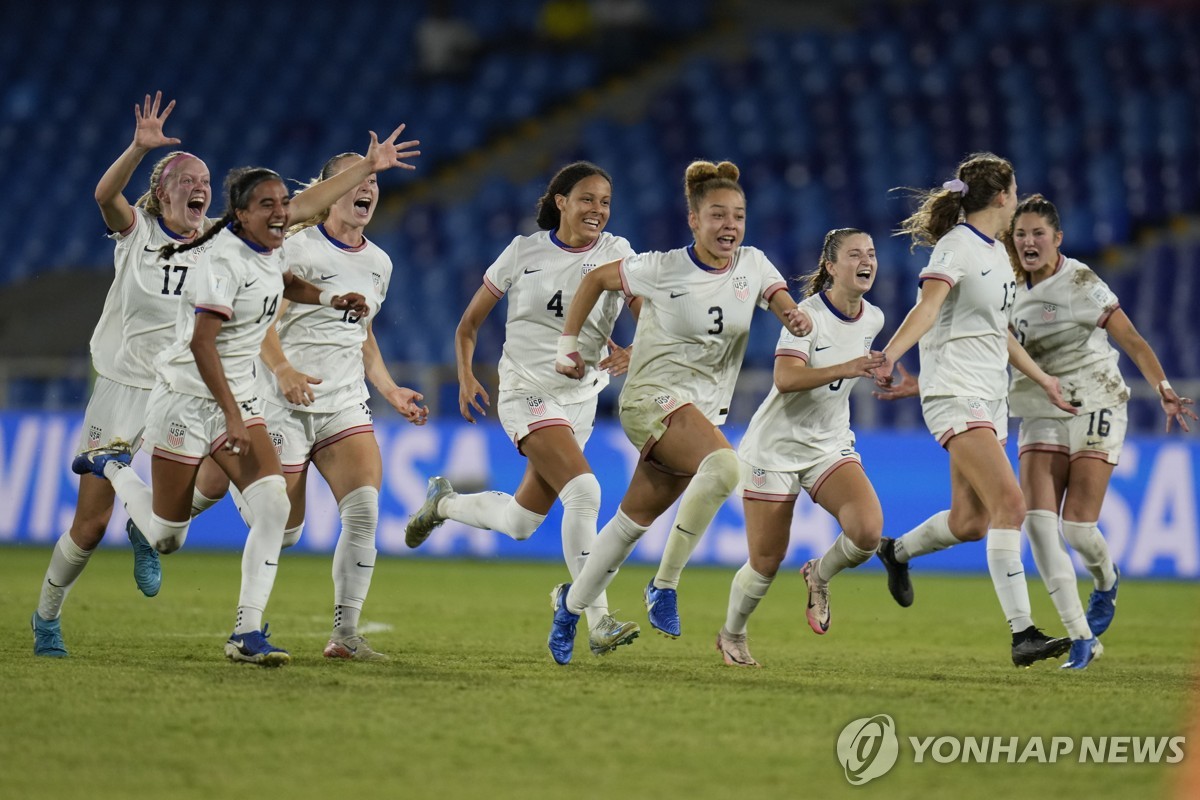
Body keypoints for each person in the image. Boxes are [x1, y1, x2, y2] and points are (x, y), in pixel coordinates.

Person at [70, 125, 418, 667]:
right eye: (270, 206)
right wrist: (249, 398)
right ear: (242, 213)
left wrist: (366, 175)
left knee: (288, 513)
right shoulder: (225, 256)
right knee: (171, 533)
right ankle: (114, 467)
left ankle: (256, 633)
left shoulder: (274, 249)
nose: (284, 214)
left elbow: (303, 250)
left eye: (284, 205)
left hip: (287, 401)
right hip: (194, 396)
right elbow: (205, 344)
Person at [546, 159, 813, 665]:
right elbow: (595, 281)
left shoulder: (753, 265)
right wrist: (567, 345)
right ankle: (664, 586)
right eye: (716, 215)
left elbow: (776, 295)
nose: (729, 225)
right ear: (693, 220)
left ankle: (569, 606)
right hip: (650, 399)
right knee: (725, 465)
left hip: (696, 413)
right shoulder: (662, 266)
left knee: (630, 524)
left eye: (737, 214)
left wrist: (791, 314)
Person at [191, 151, 430, 662]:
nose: (366, 189)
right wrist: (283, 371)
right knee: (287, 528)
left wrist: (389, 389)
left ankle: (345, 634)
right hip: (282, 400)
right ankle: (215, 477)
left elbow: (361, 332)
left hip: (343, 401)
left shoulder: (379, 262)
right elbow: (260, 321)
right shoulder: (292, 247)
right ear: (327, 190)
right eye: (354, 179)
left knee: (364, 511)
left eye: (371, 182)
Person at [404, 161, 641, 657]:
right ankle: (594, 618)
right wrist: (467, 375)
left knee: (519, 523)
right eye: (587, 199)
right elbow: (468, 324)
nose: (597, 209)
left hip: (581, 401)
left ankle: (441, 503)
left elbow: (650, 314)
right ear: (561, 201)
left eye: (605, 201)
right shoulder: (522, 252)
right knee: (584, 491)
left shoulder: (618, 253)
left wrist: (633, 351)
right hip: (526, 392)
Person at [870, 152, 1079, 668]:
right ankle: (1022, 633)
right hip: (956, 395)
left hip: (989, 396)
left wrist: (1043, 378)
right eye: (1016, 190)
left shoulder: (998, 254)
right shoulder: (956, 246)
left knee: (970, 522)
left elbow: (997, 331)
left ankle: (895, 552)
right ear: (1004, 195)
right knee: (1012, 504)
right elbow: (928, 307)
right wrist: (890, 355)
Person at [31, 92, 215, 657]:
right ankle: (47, 618)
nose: (199, 186)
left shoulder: (220, 245)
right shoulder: (138, 233)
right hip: (121, 388)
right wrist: (139, 147)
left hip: (183, 389)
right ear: (163, 193)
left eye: (205, 180)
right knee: (88, 527)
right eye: (187, 179)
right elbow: (105, 195)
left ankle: (145, 525)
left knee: (223, 472)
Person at [1005, 193, 1195, 668]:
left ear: (1057, 239)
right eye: (1021, 234)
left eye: (1038, 234)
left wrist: (1163, 386)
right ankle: (1080, 632)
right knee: (1039, 524)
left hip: (1097, 399)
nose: (1029, 242)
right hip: (1039, 407)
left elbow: (1129, 336)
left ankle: (1106, 580)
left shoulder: (1080, 281)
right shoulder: (1004, 287)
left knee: (1077, 528)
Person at [720, 228, 885, 667]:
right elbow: (786, 379)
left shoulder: (874, 319)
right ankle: (732, 634)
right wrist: (848, 366)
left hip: (828, 445)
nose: (866, 260)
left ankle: (819, 573)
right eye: (854, 254)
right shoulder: (805, 316)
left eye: (870, 253)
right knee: (766, 563)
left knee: (867, 531)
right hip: (774, 449)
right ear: (831, 267)